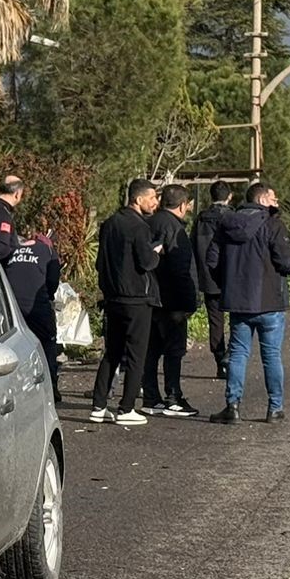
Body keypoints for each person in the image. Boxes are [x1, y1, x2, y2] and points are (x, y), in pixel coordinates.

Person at [207, 183, 290, 424]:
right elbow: (284, 262)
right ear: (262, 200)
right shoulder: (272, 224)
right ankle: (275, 408)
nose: (277, 200)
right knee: (271, 355)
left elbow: (212, 259)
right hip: (269, 301)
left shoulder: (227, 224)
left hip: (238, 302)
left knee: (238, 354)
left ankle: (232, 406)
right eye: (273, 197)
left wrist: (228, 282)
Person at [89, 179, 161, 426]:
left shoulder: (109, 224)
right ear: (138, 199)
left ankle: (98, 405)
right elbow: (145, 262)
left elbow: (100, 262)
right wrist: (156, 253)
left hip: (113, 297)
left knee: (112, 352)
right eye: (152, 197)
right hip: (137, 298)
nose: (155, 202)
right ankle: (127, 407)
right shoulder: (140, 228)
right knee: (136, 354)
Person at [143, 184, 199, 416]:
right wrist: (190, 302)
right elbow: (181, 269)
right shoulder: (176, 230)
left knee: (151, 350)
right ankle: (173, 397)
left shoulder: (147, 224)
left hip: (149, 298)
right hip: (173, 300)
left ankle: (150, 397)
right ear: (183, 205)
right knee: (174, 351)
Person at [4, 231, 63, 393]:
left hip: (11, 307)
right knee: (48, 341)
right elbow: (52, 280)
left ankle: (14, 386)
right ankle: (51, 387)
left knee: (13, 345)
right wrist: (49, 296)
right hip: (36, 306)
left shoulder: (13, 250)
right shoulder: (49, 252)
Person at [192, 181, 236, 379]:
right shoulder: (232, 218)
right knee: (238, 320)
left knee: (215, 322)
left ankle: (220, 361)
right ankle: (231, 356)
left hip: (208, 278)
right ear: (230, 196)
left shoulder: (201, 219)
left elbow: (194, 247)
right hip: (232, 278)